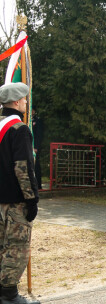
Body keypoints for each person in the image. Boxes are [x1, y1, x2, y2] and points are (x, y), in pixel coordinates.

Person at [0, 82, 41, 304]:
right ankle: (8, 295)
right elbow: (23, 167)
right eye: (24, 99)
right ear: (17, 102)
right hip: (16, 201)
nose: (26, 102)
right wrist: (32, 199)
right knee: (17, 248)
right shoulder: (20, 130)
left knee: (1, 246)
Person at [31, 109, 44, 190]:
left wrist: (36, 147)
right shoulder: (26, 119)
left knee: (36, 165)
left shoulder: (37, 121)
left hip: (35, 147)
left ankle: (38, 185)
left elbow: (39, 135)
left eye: (33, 110)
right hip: (28, 145)